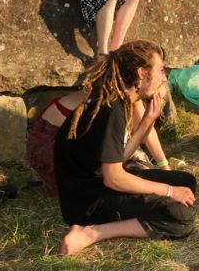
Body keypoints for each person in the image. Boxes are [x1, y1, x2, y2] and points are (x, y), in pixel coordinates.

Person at [54, 40, 195, 255]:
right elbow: (114, 178)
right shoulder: (111, 110)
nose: (164, 78)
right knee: (179, 218)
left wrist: (147, 123)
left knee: (186, 182)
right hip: (86, 201)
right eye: (161, 70)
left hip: (100, 182)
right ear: (141, 73)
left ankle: (150, 205)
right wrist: (167, 191)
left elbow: (116, 160)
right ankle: (92, 233)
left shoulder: (115, 98)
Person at [28, 81, 171, 197]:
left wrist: (164, 169)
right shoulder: (122, 94)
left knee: (137, 166)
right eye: (161, 72)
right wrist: (165, 169)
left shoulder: (121, 89)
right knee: (133, 174)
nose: (164, 78)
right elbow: (142, 134)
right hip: (52, 152)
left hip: (50, 151)